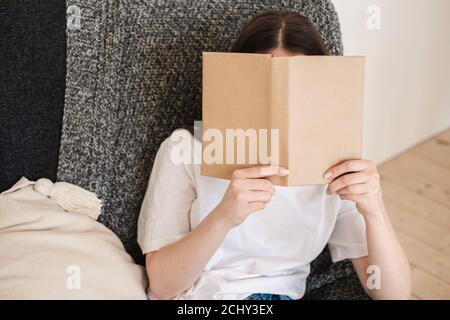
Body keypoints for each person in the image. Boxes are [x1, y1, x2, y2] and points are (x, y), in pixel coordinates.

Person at [137, 11, 411, 300]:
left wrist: (375, 211)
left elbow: (393, 294)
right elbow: (163, 286)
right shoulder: (184, 149)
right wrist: (225, 216)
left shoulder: (334, 161)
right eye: (267, 88)